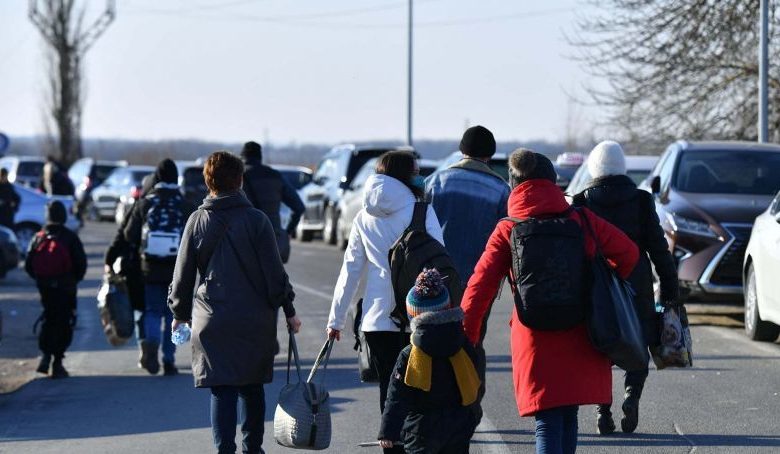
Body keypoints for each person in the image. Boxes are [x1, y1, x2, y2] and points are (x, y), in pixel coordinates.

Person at [461, 149, 639, 454]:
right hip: (580, 330)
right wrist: (600, 281)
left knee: (546, 419)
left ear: (515, 184)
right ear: (553, 181)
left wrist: (467, 338)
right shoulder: (582, 220)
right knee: (568, 413)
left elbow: (479, 288)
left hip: (534, 337)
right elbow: (629, 253)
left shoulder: (508, 228)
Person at [168, 151, 301, 454]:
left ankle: (223, 449)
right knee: (252, 387)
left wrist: (179, 312)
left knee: (222, 389)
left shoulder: (197, 221)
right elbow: (274, 274)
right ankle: (252, 448)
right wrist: (289, 310)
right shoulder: (257, 221)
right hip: (254, 318)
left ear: (208, 181)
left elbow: (183, 274)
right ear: (239, 180)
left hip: (212, 317)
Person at [326, 150, 443, 454]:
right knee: (420, 392)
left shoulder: (363, 217)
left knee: (389, 394)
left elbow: (350, 271)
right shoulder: (421, 211)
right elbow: (441, 263)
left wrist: (335, 320)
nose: (420, 175)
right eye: (416, 170)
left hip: (377, 321)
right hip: (419, 317)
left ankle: (392, 448)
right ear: (405, 175)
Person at [573, 141, 679, 435]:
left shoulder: (581, 201)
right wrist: (670, 291)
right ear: (623, 168)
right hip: (637, 284)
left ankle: (602, 410)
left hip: (597, 290)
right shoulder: (642, 201)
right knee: (638, 345)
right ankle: (632, 396)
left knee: (600, 347)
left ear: (594, 167)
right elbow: (659, 250)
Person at [425, 124, 510, 415]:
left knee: (434, 342)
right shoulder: (501, 189)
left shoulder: (435, 182)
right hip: (480, 281)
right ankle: (471, 404)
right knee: (473, 340)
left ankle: (438, 406)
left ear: (462, 151)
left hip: (437, 279)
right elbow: (506, 239)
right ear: (490, 155)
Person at [379, 269, 480, 453]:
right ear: (447, 307)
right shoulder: (461, 343)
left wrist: (388, 432)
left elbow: (397, 396)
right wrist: (471, 417)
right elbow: (475, 380)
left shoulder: (410, 353)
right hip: (457, 425)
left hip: (421, 430)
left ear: (414, 316)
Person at [123, 159, 184, 376]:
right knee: (173, 316)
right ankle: (169, 360)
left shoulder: (145, 203)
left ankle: (151, 348)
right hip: (177, 271)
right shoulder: (184, 203)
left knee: (151, 311)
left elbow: (129, 234)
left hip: (149, 268)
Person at [25, 201, 87, 379]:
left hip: (45, 288)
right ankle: (57, 362)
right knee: (64, 322)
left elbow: (29, 264)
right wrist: (72, 280)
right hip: (66, 288)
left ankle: (45, 355)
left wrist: (41, 280)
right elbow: (80, 264)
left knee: (49, 318)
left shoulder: (39, 236)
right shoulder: (69, 237)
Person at [241, 141, 305, 264]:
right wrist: (287, 232)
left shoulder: (236, 178)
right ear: (260, 157)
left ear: (242, 157)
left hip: (244, 240)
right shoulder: (275, 176)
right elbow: (299, 207)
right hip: (272, 239)